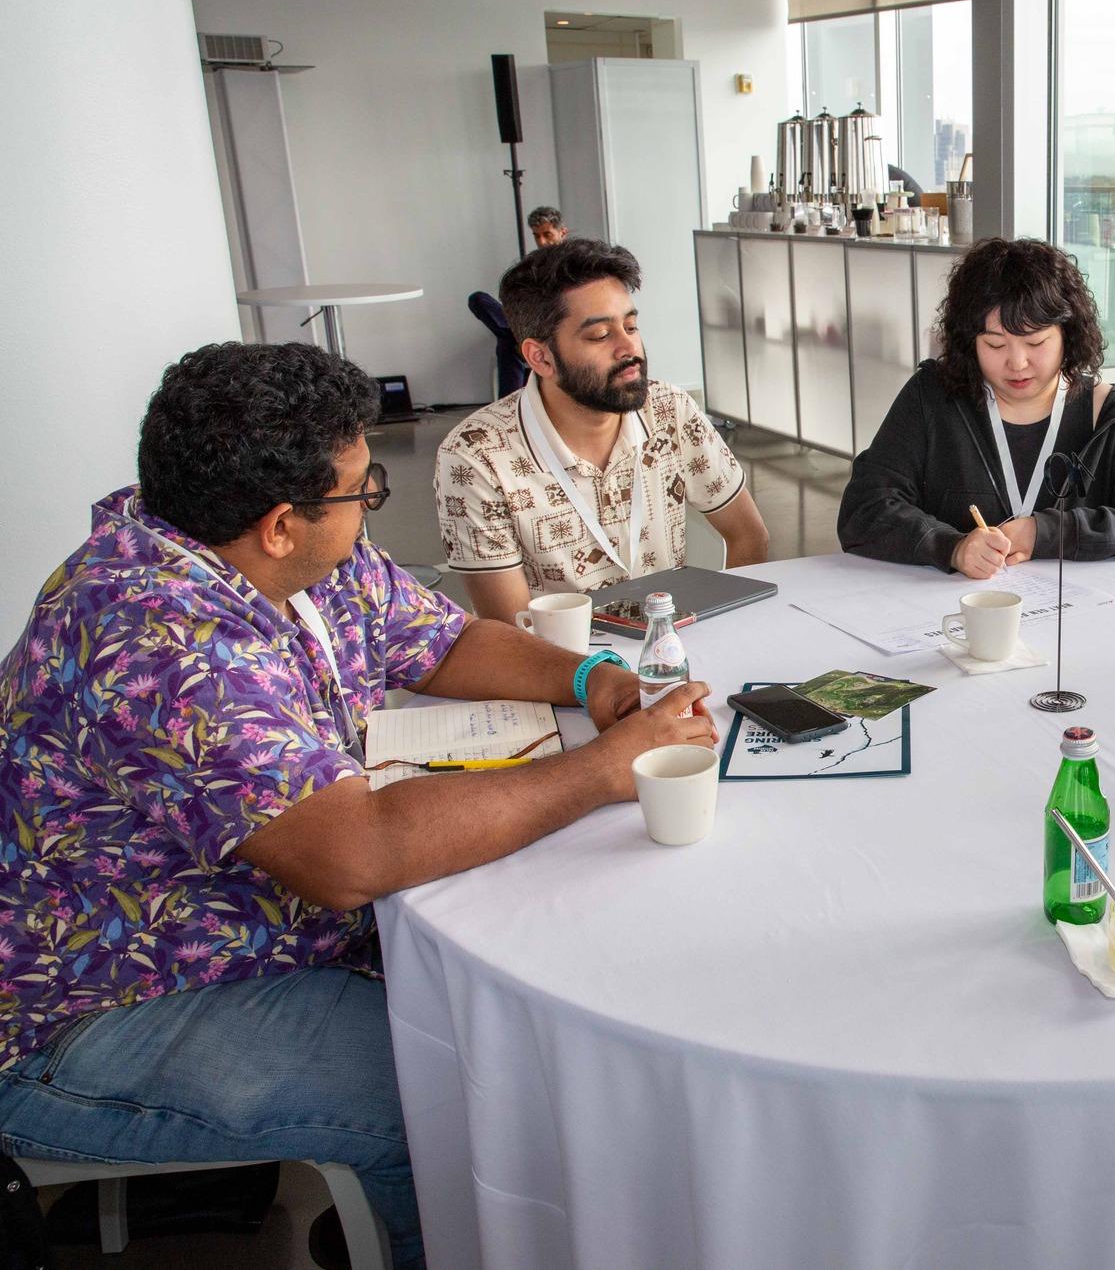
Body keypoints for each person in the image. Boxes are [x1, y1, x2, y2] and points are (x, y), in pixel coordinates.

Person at [0, 343, 721, 1269]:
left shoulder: (271, 546)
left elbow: (440, 640)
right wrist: (600, 770)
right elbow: (354, 854)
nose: (372, 499)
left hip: (248, 932)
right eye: (361, 491)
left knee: (507, 1012)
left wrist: (590, 679)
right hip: (101, 1003)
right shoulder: (156, 636)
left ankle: (404, 1220)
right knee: (463, 1088)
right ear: (280, 525)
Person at [437, 238, 770, 623]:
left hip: (670, 645)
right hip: (559, 658)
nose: (629, 348)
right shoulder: (476, 455)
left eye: (631, 326)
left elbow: (749, 537)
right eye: (600, 335)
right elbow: (510, 629)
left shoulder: (669, 410)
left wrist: (730, 634)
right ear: (540, 358)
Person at [838, 236, 1115, 576]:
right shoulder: (932, 398)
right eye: (995, 345)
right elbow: (864, 509)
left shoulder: (1106, 414)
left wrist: (1048, 533)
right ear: (969, 342)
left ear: (1067, 335)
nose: (1017, 363)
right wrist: (951, 547)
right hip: (954, 609)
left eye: (1035, 343)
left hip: (1077, 611)